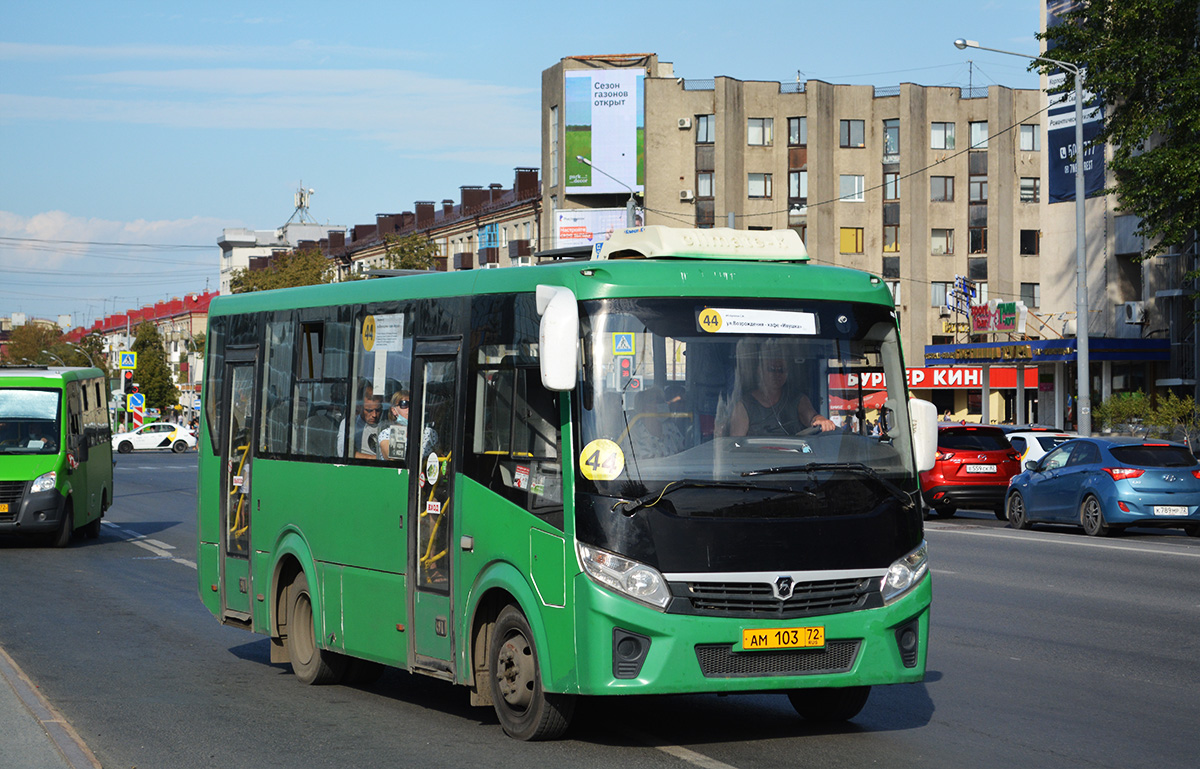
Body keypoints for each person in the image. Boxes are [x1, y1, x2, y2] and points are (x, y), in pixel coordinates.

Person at [727, 341, 836, 437]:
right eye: (772, 369)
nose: (777, 374)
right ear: (760, 371)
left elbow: (811, 417)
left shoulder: (798, 399)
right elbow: (736, 442)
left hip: (795, 458)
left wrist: (820, 420)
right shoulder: (744, 405)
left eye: (781, 370)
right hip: (757, 459)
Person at [628, 388, 686, 458]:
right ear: (645, 407)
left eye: (662, 401)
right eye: (658, 401)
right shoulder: (633, 434)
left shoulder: (671, 428)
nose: (663, 404)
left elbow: (684, 454)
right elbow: (631, 463)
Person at [337, 382, 385, 459]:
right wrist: (376, 459)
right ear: (359, 407)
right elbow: (343, 452)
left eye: (378, 410)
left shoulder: (386, 424)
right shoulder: (350, 423)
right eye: (369, 410)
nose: (374, 415)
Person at [379, 390, 410, 460]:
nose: (409, 408)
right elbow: (393, 459)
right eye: (404, 404)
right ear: (394, 410)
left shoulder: (428, 433)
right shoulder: (387, 434)